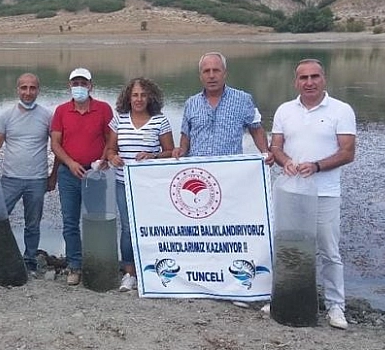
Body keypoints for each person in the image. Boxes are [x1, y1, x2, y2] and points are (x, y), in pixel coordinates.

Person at [270, 58, 356, 330]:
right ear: (296, 81)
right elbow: (276, 146)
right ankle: (283, 297)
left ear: (324, 79)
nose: (309, 82)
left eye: (314, 77)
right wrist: (286, 162)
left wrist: (317, 166)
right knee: (287, 247)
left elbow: (347, 152)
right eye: (303, 78)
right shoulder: (285, 110)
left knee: (329, 250)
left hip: (325, 193)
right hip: (290, 193)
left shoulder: (341, 110)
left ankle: (335, 305)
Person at [0, 73, 56, 275]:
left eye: (32, 88)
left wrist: (53, 176)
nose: (28, 92)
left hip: (37, 179)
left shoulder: (48, 117)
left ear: (38, 90)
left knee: (33, 223)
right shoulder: (6, 116)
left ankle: (30, 258)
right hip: (10, 179)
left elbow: (57, 147)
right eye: (24, 88)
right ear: (17, 90)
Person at [105, 77, 175, 292]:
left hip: (150, 186)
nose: (139, 99)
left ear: (150, 97)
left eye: (143, 95)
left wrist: (154, 155)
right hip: (122, 183)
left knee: (150, 226)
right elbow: (110, 150)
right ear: (128, 97)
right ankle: (130, 273)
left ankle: (153, 271)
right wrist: (113, 158)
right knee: (127, 228)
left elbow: (171, 153)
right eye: (135, 95)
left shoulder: (160, 121)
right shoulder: (119, 120)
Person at [50, 67, 113, 285]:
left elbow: (110, 139)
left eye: (83, 83)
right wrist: (70, 163)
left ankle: (98, 263)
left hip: (96, 174)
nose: (79, 87)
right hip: (69, 174)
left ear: (90, 86)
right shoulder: (61, 111)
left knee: (97, 221)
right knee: (70, 222)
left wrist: (103, 160)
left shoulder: (103, 109)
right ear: (69, 86)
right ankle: (74, 266)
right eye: (75, 83)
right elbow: (55, 144)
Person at [172, 51, 272, 162]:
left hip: (230, 170)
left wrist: (265, 152)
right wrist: (181, 150)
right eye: (206, 71)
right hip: (199, 173)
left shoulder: (244, 99)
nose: (211, 76)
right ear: (200, 76)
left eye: (216, 70)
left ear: (224, 73)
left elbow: (256, 129)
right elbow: (186, 136)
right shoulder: (190, 103)